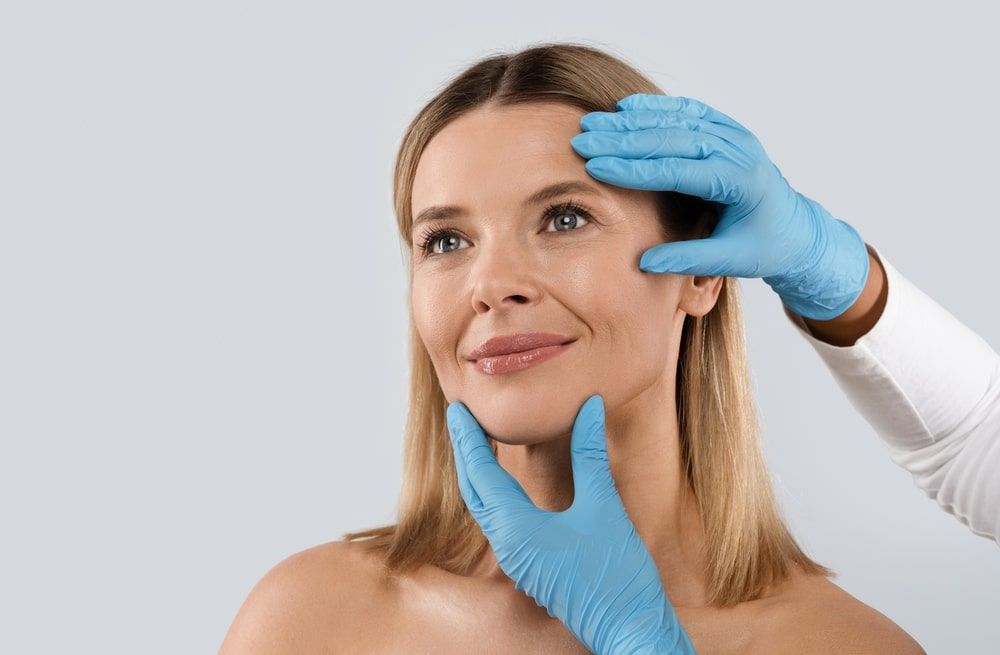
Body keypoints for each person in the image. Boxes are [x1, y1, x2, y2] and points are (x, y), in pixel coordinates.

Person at [218, 43, 943, 654]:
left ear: (699, 271)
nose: (491, 284)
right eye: (446, 240)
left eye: (564, 218)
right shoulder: (311, 621)